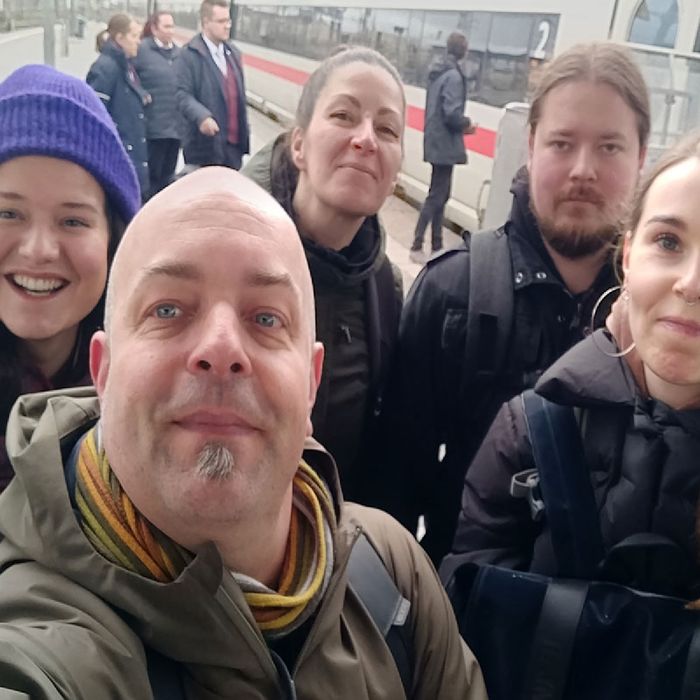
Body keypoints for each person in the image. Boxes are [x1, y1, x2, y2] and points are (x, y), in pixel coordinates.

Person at [0, 168, 487, 699]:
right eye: (167, 310)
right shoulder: (41, 645)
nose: (222, 348)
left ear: (310, 384)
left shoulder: (390, 572)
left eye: (267, 318)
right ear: (104, 371)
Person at [386, 42, 650, 565]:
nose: (582, 170)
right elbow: (391, 499)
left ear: (642, 157)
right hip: (461, 625)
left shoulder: (662, 317)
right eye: (561, 143)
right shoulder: (453, 291)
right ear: (530, 147)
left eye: (609, 148)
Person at [449, 130, 700, 599]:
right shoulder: (530, 432)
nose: (691, 284)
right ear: (628, 257)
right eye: (668, 241)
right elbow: (466, 620)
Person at [243, 46, 404, 502]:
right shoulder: (221, 252)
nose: (366, 139)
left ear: (394, 175)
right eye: (343, 116)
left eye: (387, 129)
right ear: (298, 145)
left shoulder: (384, 290)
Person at [0, 64, 140, 495]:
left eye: (73, 220)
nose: (39, 249)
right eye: (8, 213)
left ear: (115, 243)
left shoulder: (153, 385)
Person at [410, 31, 475, 264]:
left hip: (435, 139)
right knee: (437, 195)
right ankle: (417, 244)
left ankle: (437, 245)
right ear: (463, 51)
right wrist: (467, 125)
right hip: (445, 142)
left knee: (440, 194)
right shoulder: (454, 77)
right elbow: (451, 114)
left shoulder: (439, 72)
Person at [175, 0, 249, 170]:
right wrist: (202, 116)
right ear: (206, 22)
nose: (227, 26)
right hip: (204, 149)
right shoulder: (189, 55)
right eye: (221, 21)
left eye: (228, 21)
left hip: (233, 149)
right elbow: (181, 94)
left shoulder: (234, 54)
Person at [87, 13, 151, 198]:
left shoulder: (126, 67)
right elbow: (96, 116)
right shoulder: (106, 68)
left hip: (130, 160)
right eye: (134, 36)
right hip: (119, 162)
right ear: (120, 38)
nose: (138, 42)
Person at [134, 11, 182, 198]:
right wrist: (141, 93)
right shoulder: (141, 51)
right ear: (154, 29)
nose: (171, 30)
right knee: (150, 180)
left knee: (167, 179)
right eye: (166, 26)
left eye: (172, 26)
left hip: (175, 130)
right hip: (153, 129)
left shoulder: (180, 54)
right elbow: (129, 79)